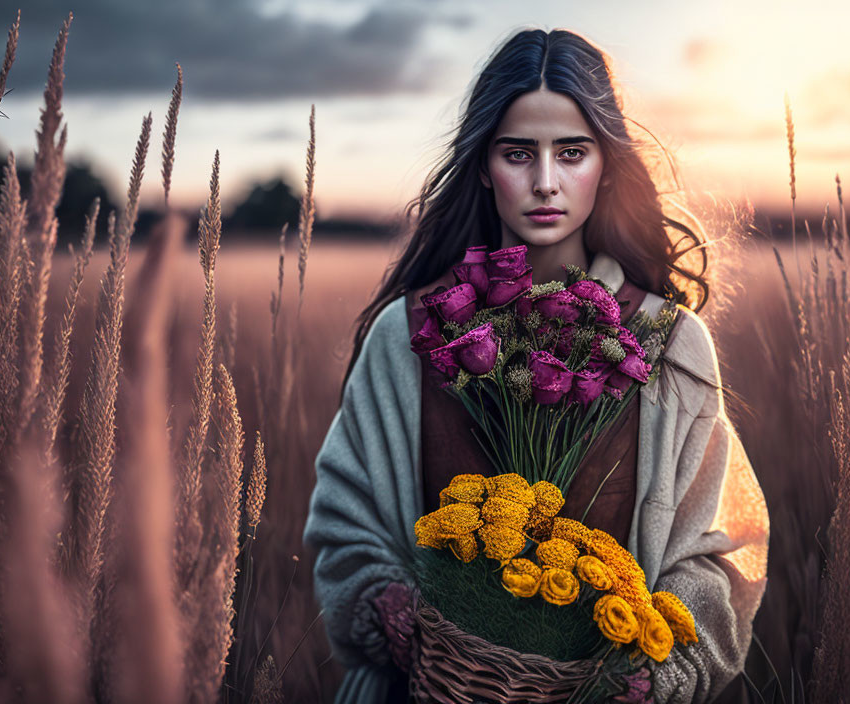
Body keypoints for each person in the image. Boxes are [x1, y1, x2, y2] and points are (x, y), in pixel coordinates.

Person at [303, 27, 769, 704]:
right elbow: (347, 527)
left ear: (606, 165)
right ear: (484, 165)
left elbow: (717, 556)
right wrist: (393, 614)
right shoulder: (404, 335)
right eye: (518, 153)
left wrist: (657, 676)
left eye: (572, 153)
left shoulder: (669, 342)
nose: (545, 182)